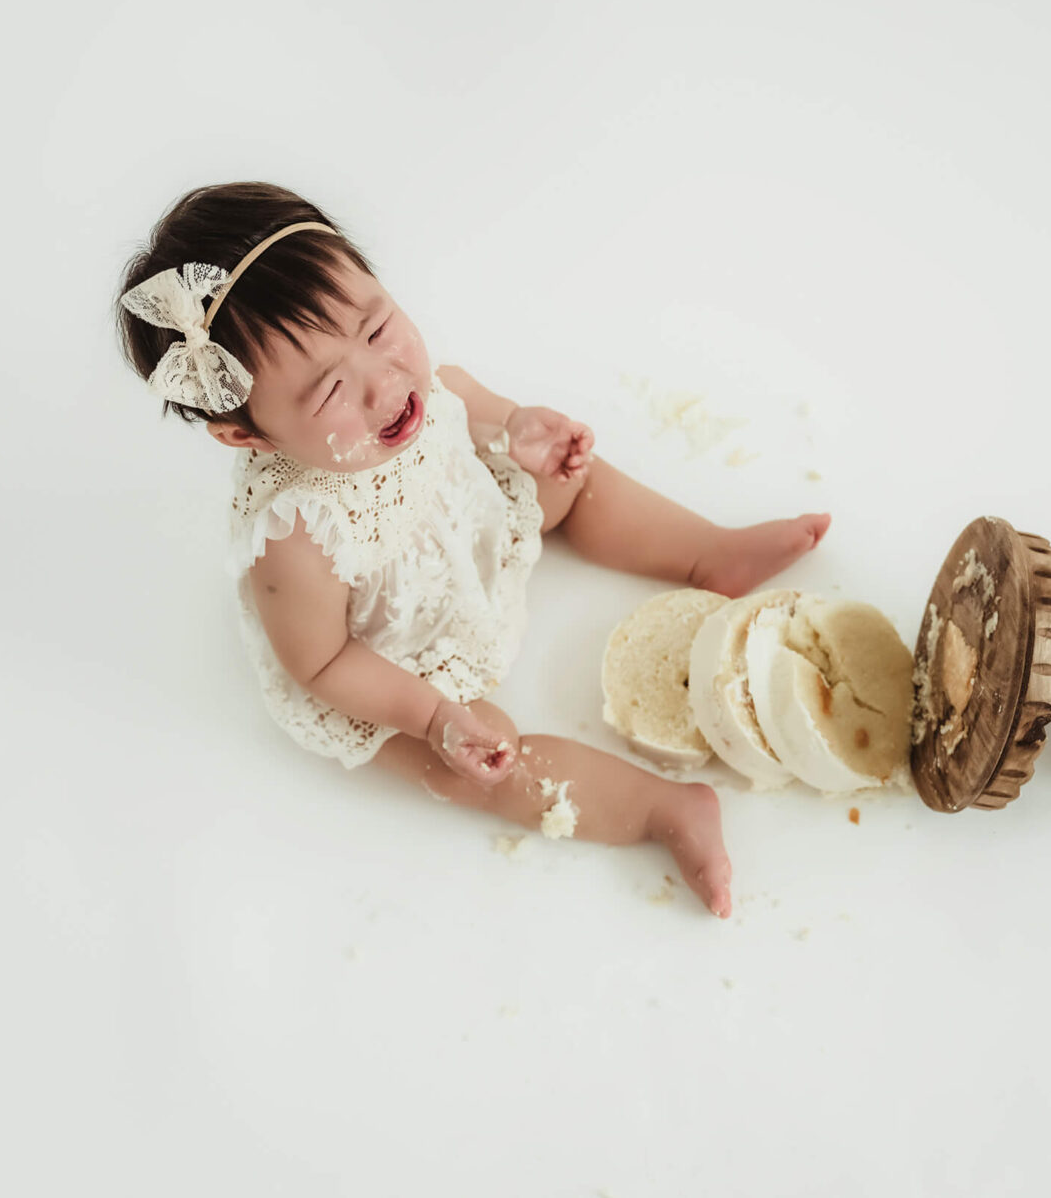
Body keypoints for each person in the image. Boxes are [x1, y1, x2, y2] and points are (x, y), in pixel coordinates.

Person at [115, 182, 832, 918]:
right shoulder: (295, 536)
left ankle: (706, 552)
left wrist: (520, 432)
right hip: (399, 658)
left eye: (377, 328)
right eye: (331, 391)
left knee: (573, 484)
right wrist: (431, 716)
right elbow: (321, 661)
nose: (386, 383)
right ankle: (661, 809)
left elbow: (476, 412)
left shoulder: (423, 388)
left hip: (470, 534)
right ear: (249, 435)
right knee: (478, 764)